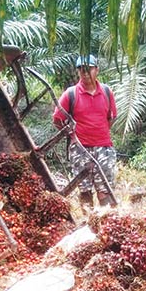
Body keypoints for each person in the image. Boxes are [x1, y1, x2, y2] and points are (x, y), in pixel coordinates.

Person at [53, 54, 118, 208]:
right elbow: (57, 119)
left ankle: (106, 222)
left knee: (105, 189)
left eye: (89, 69)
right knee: (84, 189)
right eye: (82, 70)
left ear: (97, 70)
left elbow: (111, 117)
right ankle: (88, 223)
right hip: (80, 149)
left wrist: (100, 133)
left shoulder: (107, 92)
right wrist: (72, 135)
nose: (85, 73)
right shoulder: (71, 94)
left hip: (104, 148)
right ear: (78, 72)